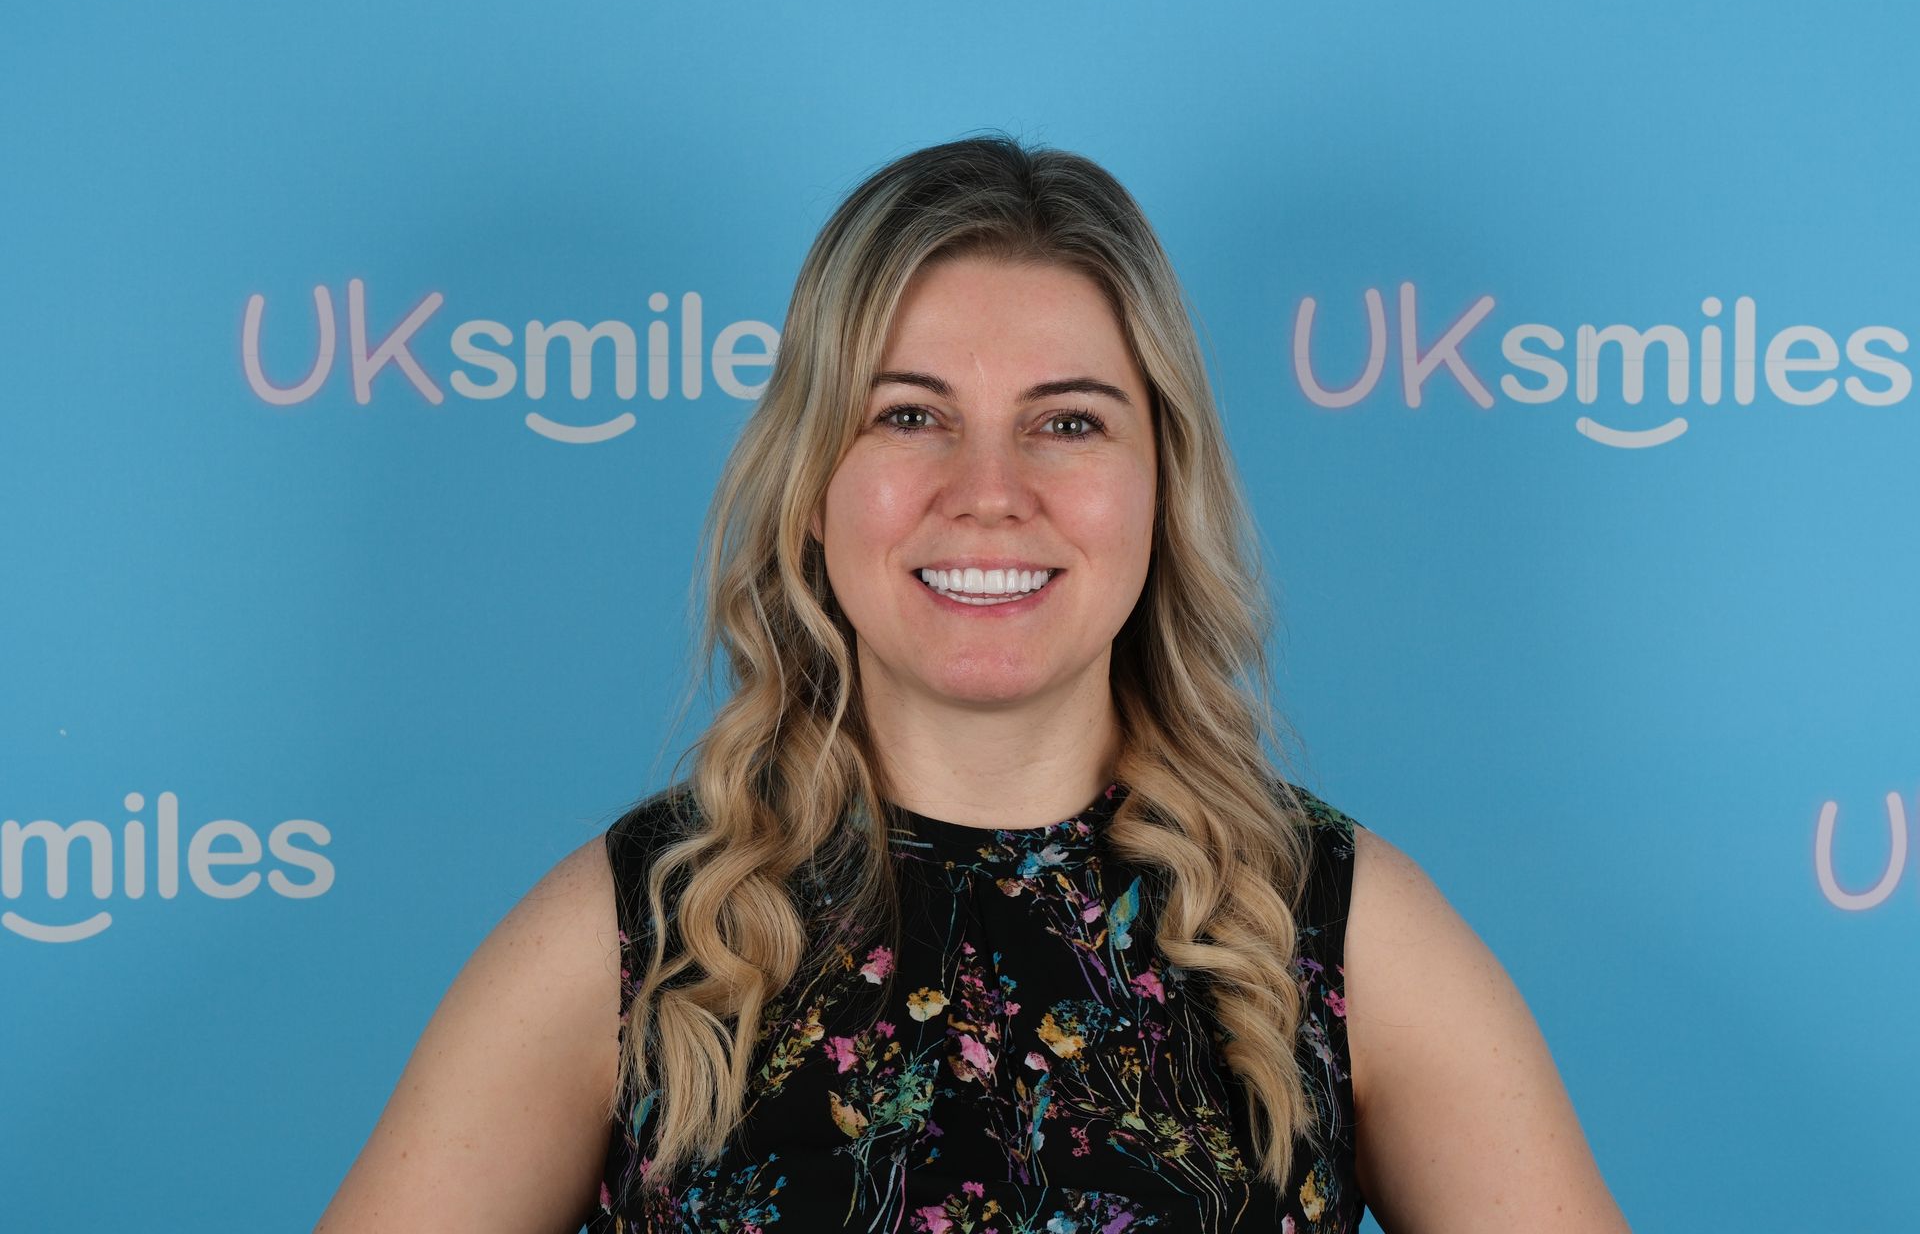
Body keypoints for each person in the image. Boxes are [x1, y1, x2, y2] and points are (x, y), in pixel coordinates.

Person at [316, 134, 1632, 1233]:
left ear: (1160, 483)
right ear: (813, 483)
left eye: (1069, 422)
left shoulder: (1342, 935)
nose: (990, 493)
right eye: (907, 415)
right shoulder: (639, 939)